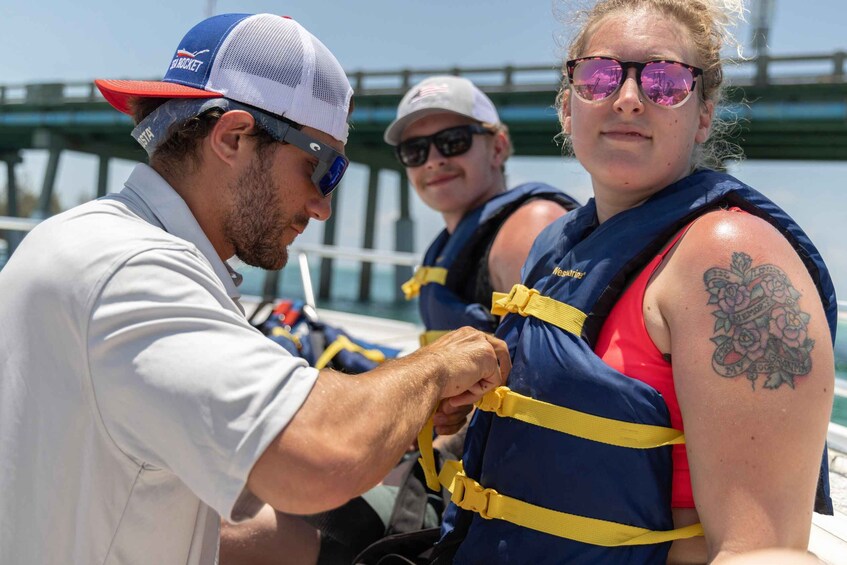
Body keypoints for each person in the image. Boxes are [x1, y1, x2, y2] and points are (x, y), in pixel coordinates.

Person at [0, 14, 510, 565]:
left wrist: (398, 412)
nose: (323, 206)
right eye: (323, 169)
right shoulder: (134, 270)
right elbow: (316, 461)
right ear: (233, 136)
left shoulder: (72, 238)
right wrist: (434, 369)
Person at [424, 1, 838, 563]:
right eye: (598, 76)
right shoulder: (558, 246)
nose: (628, 97)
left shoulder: (728, 257)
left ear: (704, 116)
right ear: (567, 108)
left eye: (666, 82)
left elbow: (761, 551)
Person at [385, 76, 580, 346]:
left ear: (497, 148)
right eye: (414, 150)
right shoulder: (453, 242)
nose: (432, 161)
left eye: (453, 141)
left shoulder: (528, 229)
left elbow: (543, 372)